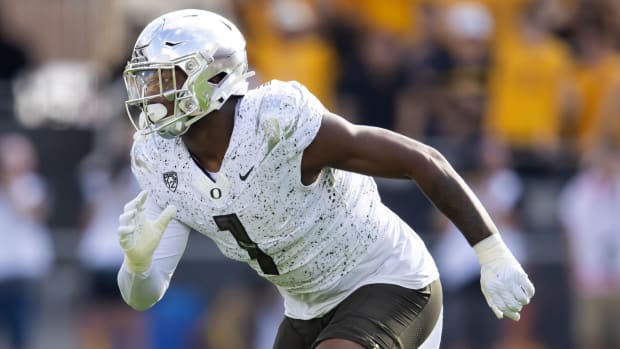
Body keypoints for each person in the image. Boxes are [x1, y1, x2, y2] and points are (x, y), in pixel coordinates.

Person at [116, 9, 534, 349]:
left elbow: (421, 159)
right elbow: (144, 296)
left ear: (211, 79)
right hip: (305, 308)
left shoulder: (275, 123)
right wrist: (136, 266)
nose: (149, 93)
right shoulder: (159, 158)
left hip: (388, 278)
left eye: (162, 78)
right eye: (146, 79)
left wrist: (492, 252)